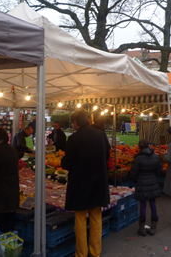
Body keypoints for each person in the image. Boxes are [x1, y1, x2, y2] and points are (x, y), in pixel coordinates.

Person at [61, 110, 110, 257]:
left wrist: (64, 161)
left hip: (80, 185)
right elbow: (107, 155)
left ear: (76, 123)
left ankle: (81, 253)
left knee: (80, 220)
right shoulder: (101, 135)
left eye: (73, 123)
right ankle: (95, 252)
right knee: (96, 218)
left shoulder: (74, 139)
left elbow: (66, 164)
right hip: (98, 182)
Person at [129, 139, 162, 236]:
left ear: (139, 147)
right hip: (153, 182)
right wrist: (153, 177)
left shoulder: (138, 159)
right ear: (148, 146)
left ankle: (141, 228)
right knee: (153, 203)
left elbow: (133, 174)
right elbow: (159, 171)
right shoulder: (156, 157)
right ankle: (153, 227)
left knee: (142, 204)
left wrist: (136, 181)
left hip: (141, 183)